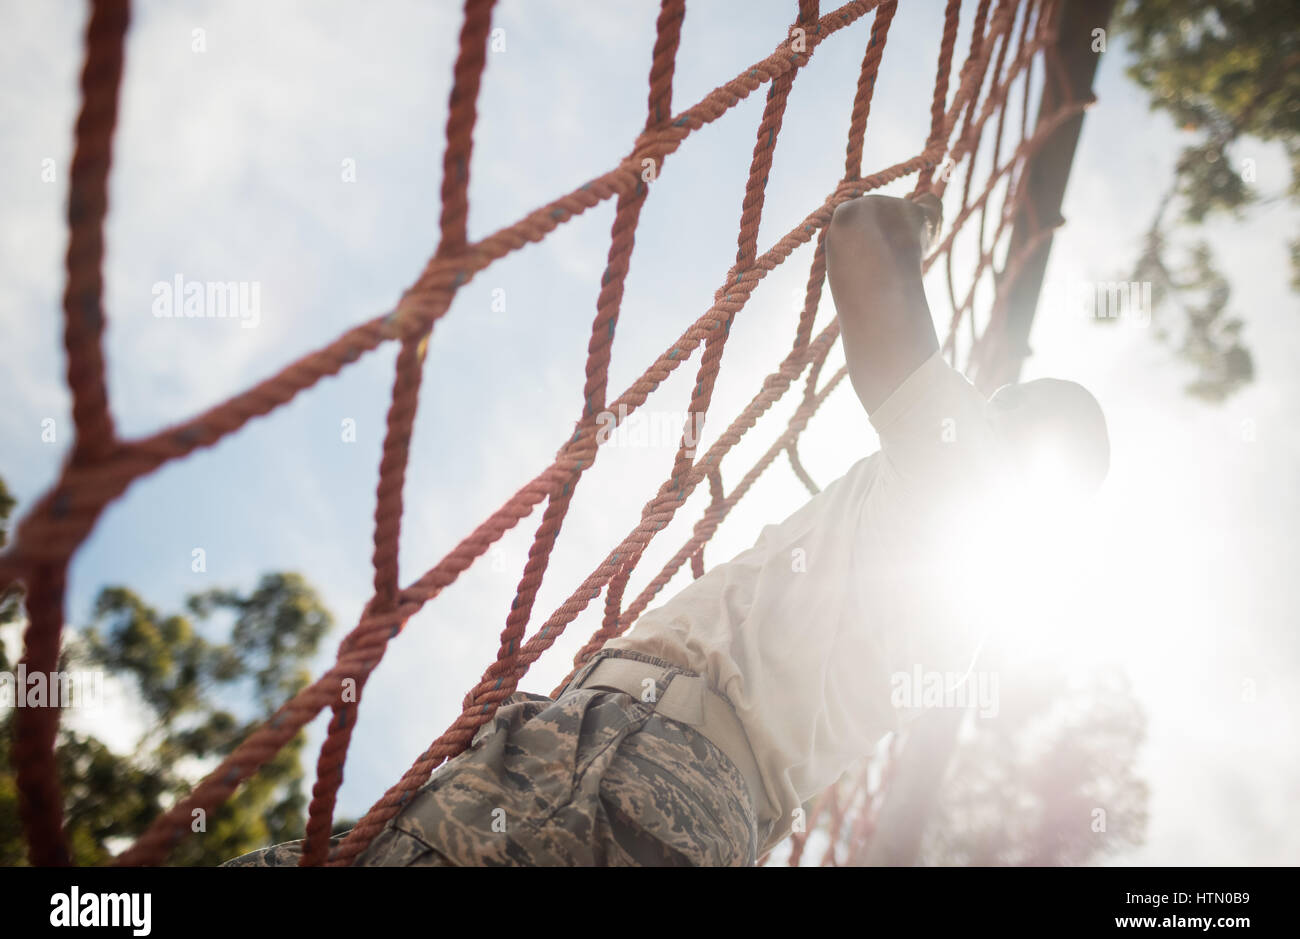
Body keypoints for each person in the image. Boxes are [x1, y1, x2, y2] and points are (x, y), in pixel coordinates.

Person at [222, 193, 1109, 868]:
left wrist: (911, 216)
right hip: (682, 805)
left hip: (633, 767)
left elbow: (862, 239)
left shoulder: (970, 470)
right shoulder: (970, 574)